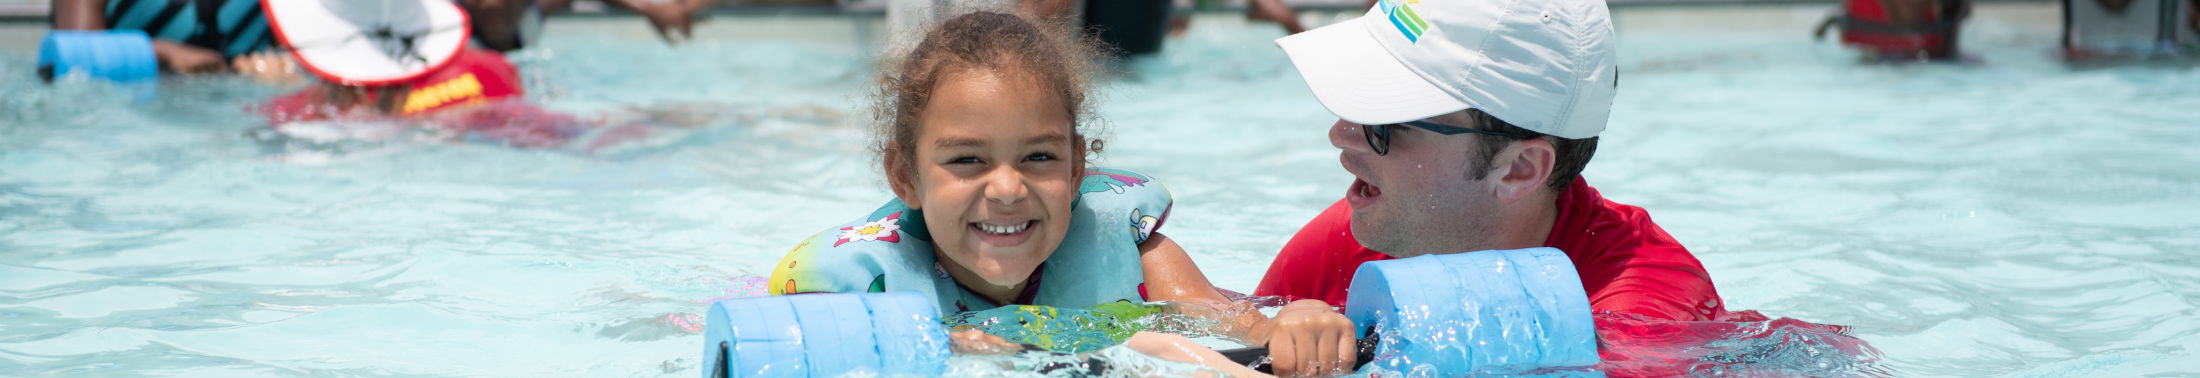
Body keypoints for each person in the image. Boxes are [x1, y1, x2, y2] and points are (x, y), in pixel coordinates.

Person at [766, 10, 1360, 378]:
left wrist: (1299, 318)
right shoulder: (860, 283)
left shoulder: (1137, 253)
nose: (1006, 188)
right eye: (967, 160)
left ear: (1077, 168)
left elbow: (1233, 320)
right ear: (904, 177)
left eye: (1039, 157)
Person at [1249, 0, 1730, 323]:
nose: (1340, 134)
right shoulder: (1368, 234)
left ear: (1519, 169)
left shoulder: (1640, 310)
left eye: (1386, 122)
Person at [50, 0, 283, 74]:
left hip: (245, 129)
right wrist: (158, 53)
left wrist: (286, 71)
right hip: (135, 126)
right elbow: (70, 60)